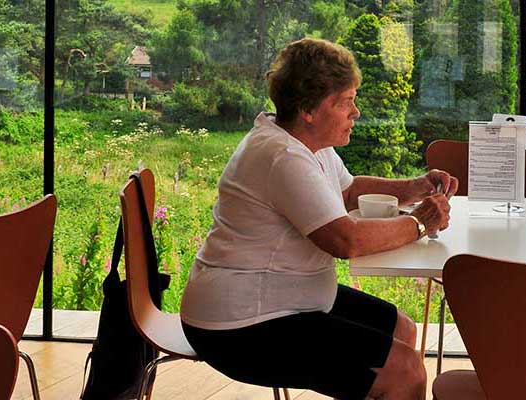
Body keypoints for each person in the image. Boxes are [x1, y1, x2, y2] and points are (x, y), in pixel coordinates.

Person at [179, 38, 457, 400]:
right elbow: (346, 241)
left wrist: (415, 187)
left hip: (288, 299)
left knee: (401, 330)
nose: (355, 112)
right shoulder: (281, 156)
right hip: (240, 324)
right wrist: (420, 222)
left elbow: (347, 191)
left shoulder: (308, 144)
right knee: (404, 371)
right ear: (308, 108)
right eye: (345, 102)